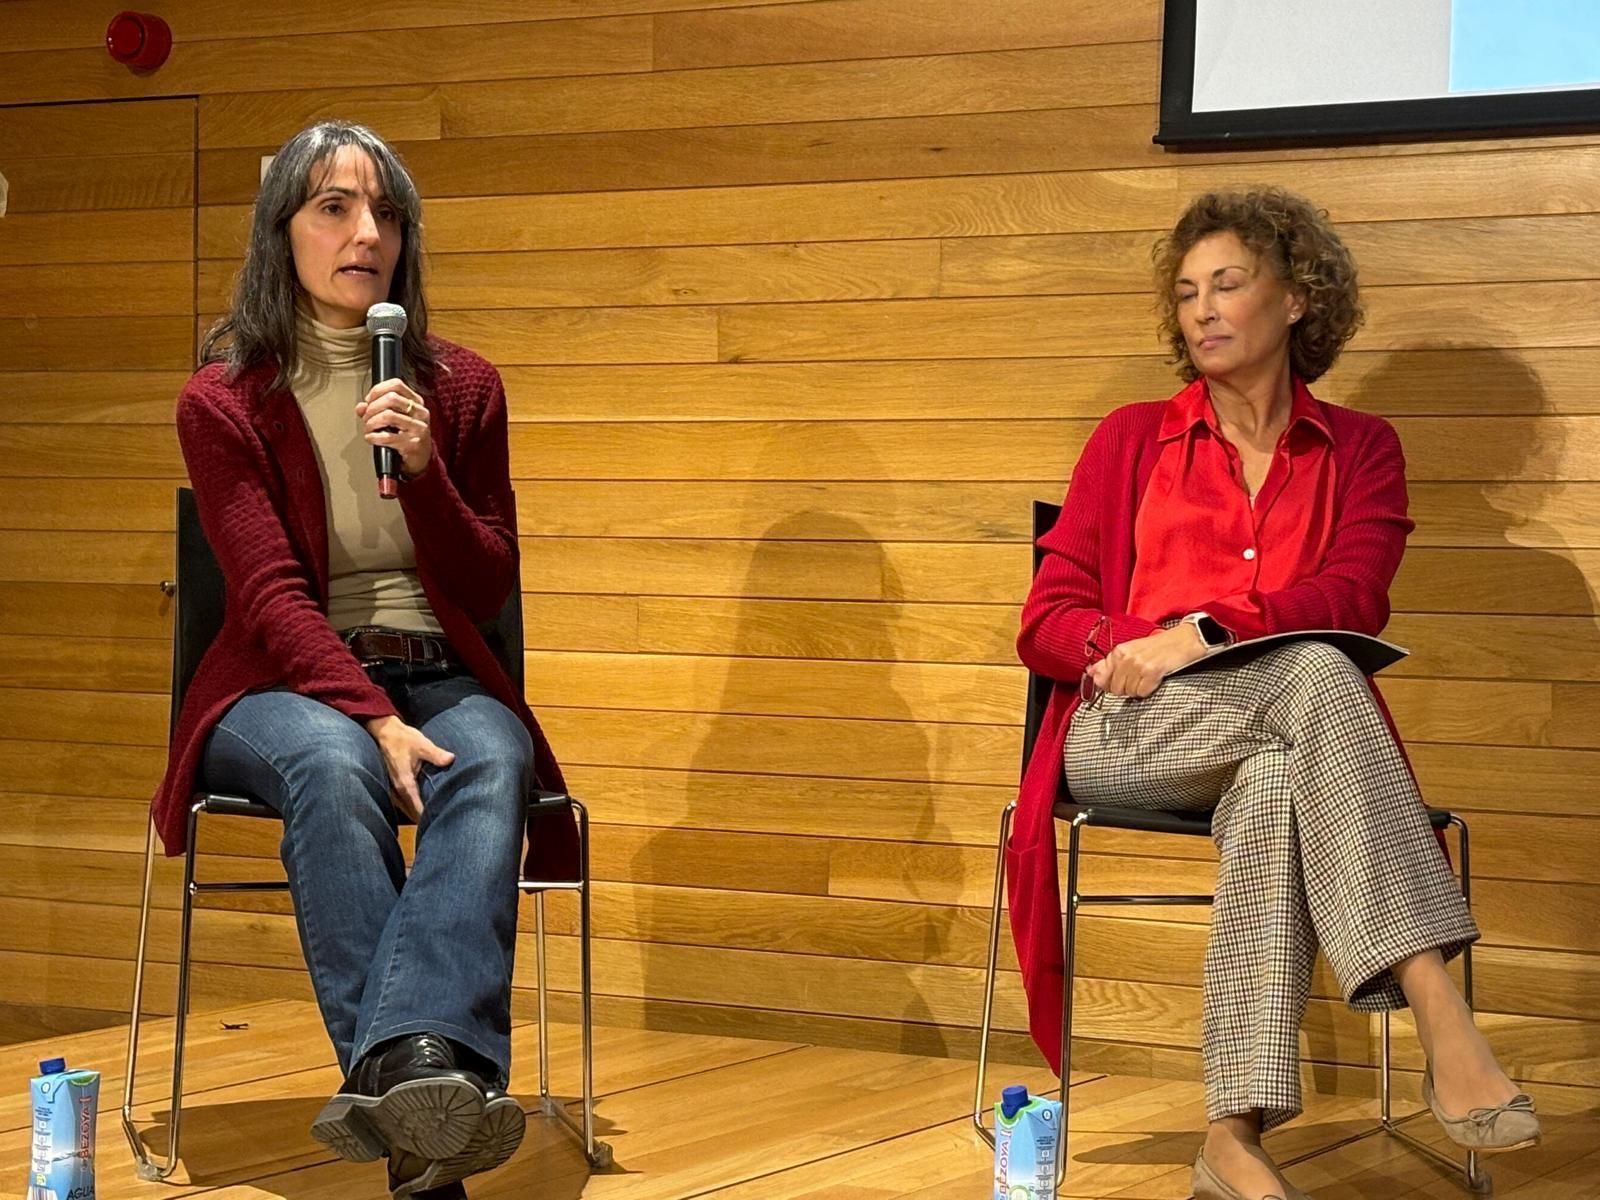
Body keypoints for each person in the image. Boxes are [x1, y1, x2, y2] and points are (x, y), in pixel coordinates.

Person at [1006, 187, 1539, 1200]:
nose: (1202, 309)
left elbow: (1353, 594)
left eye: (1228, 284)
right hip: (1124, 734)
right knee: (1316, 667)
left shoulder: (1361, 449)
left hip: (1275, 732)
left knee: (1279, 775)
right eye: (1185, 293)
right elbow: (1045, 618)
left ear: (1296, 299)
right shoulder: (1130, 439)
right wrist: (1133, 645)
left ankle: (1229, 1136)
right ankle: (1434, 1000)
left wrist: (1196, 634)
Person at [150, 121, 576, 1200]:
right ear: (280, 233)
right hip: (276, 680)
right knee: (332, 767)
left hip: (436, 661)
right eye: (334, 208)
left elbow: (486, 585)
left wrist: (427, 471)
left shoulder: (463, 388)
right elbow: (269, 595)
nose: (366, 232)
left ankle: (404, 1081)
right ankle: (433, 1104)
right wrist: (370, 718)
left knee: (492, 756)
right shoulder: (224, 398)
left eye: (386, 213)